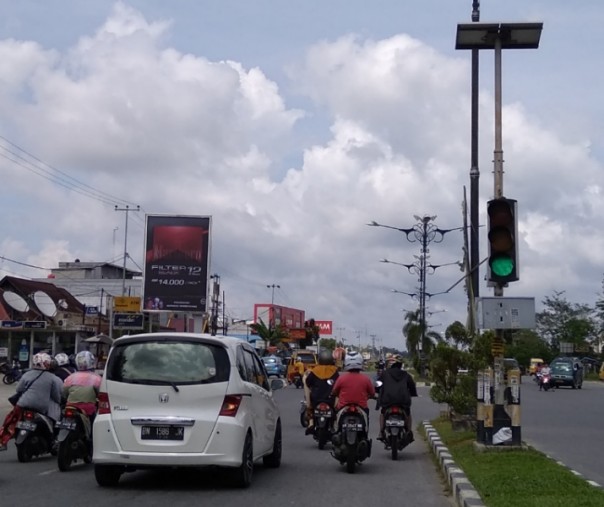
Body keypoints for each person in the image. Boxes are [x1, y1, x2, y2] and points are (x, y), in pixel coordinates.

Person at [0, 352, 63, 450]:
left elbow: (18, 389)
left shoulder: (27, 374)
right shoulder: (53, 378)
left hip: (22, 405)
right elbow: (56, 396)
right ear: (47, 363)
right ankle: (54, 441)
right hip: (41, 408)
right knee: (53, 421)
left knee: (9, 421)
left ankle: (3, 443)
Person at [377, 354, 417, 442]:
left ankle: (381, 431)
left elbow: (378, 384)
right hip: (403, 401)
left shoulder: (385, 374)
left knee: (383, 413)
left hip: (388, 400)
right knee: (408, 413)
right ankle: (409, 431)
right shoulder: (406, 374)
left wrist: (376, 390)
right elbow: (412, 386)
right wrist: (413, 393)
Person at [304, 349, 340, 435]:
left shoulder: (315, 371)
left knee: (310, 408)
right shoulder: (334, 371)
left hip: (316, 399)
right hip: (330, 399)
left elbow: (308, 382)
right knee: (336, 410)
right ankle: (335, 425)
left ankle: (311, 422)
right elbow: (338, 385)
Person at [331, 351, 375, 415]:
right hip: (362, 408)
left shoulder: (341, 378)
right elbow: (372, 393)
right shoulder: (366, 379)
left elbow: (334, 391)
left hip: (343, 408)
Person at [63, 351, 102, 421]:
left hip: (70, 407)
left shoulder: (70, 377)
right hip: (88, 410)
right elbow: (100, 394)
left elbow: (64, 393)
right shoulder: (97, 378)